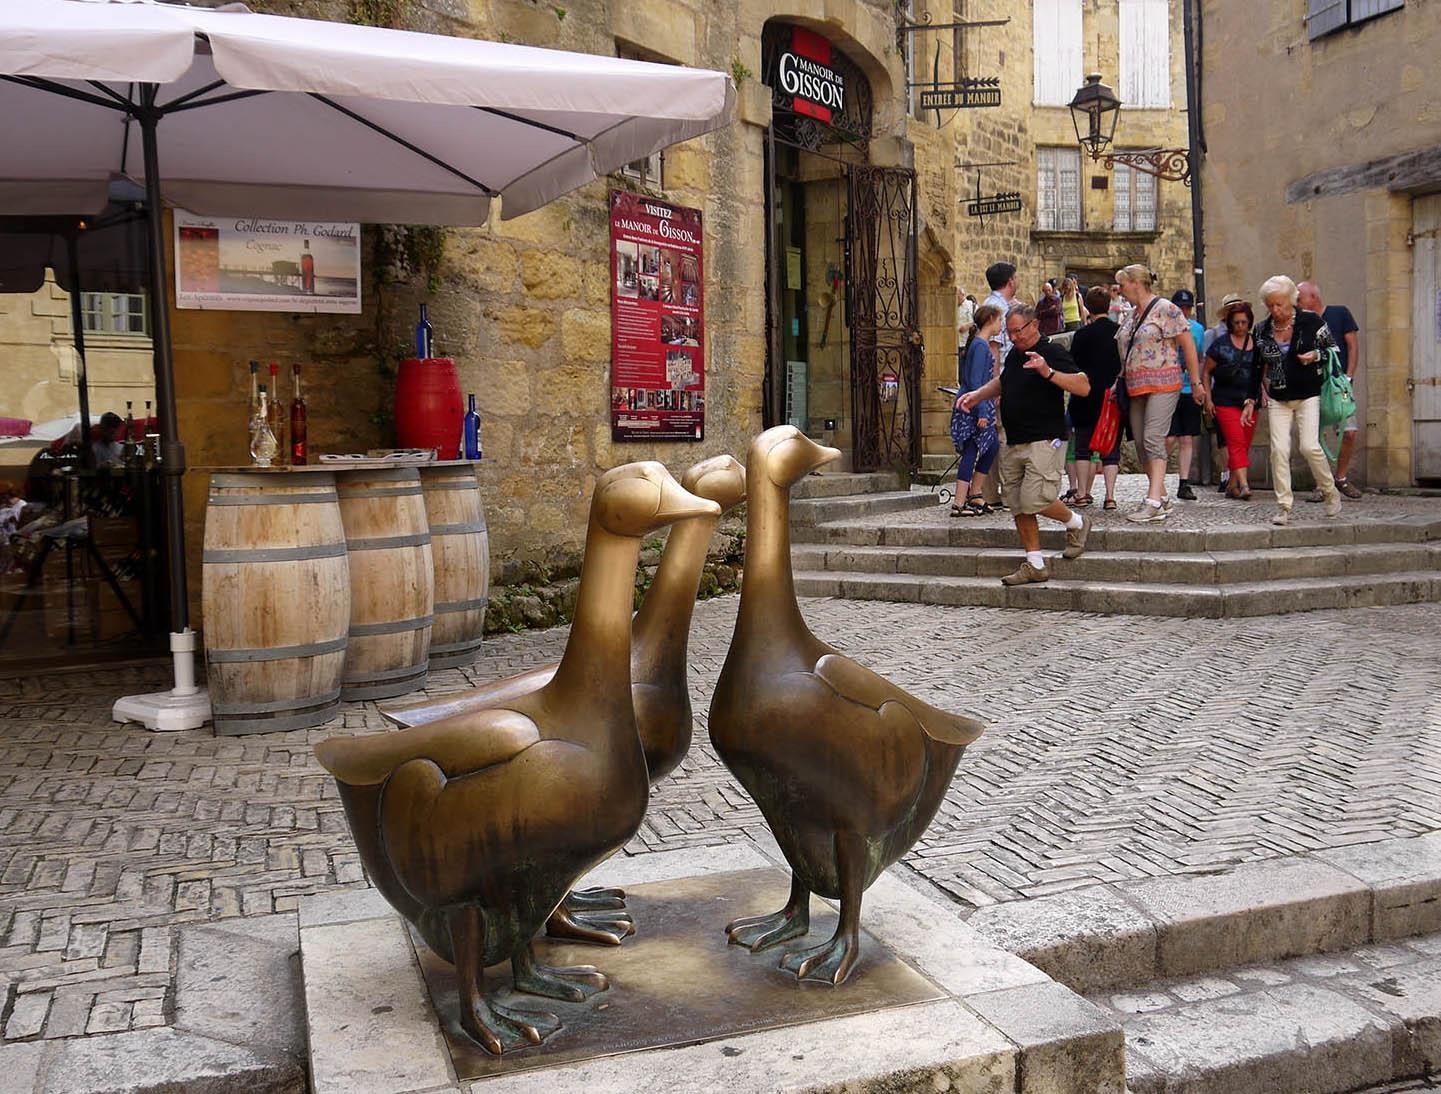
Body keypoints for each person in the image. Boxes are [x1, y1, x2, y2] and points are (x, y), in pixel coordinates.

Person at [959, 304, 1092, 586]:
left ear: (1034, 326)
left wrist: (1048, 372)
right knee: (1018, 505)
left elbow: (1083, 386)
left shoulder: (1052, 351)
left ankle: (1077, 523)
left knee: (1035, 499)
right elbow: (1003, 383)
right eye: (1010, 332)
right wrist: (977, 396)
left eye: (1018, 331)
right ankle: (1035, 563)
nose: (1015, 337)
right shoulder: (1016, 354)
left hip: (1045, 439)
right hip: (1014, 440)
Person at [1114, 265, 1204, 522]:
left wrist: (1196, 383)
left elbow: (1187, 346)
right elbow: (1127, 351)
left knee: (1154, 438)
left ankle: (1152, 501)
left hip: (1164, 383)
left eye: (1123, 284)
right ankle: (1162, 497)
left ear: (1136, 283)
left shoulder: (1166, 308)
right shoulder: (1131, 316)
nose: (1120, 290)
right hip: (1135, 386)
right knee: (1142, 444)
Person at [1255, 274, 1341, 525]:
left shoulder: (1311, 321)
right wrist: (1252, 398)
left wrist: (1315, 355)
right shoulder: (1261, 329)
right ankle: (1284, 507)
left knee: (1309, 446)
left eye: (1279, 304)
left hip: (1307, 393)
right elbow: (1256, 366)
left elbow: (1333, 351)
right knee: (1279, 450)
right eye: (1270, 304)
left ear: (1291, 300)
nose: (1275, 309)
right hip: (1278, 395)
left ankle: (1329, 491)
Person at [1297, 280, 1363, 499]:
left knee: (1350, 432)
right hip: (1313, 386)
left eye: (1299, 298)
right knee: (1314, 437)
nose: (1296, 303)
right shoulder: (1302, 323)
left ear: (1313, 297)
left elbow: (1352, 346)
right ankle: (1322, 484)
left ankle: (1341, 478)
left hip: (1339, 384)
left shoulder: (1340, 314)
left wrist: (1349, 376)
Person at [1068, 287, 1124, 510]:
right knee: (1111, 449)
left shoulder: (1081, 335)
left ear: (1087, 308)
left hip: (1085, 394)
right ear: (1109, 306)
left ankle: (1082, 493)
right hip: (1111, 396)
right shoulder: (1119, 332)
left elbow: (1073, 366)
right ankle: (1110, 496)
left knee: (1083, 447)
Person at [1203, 299, 1262, 500]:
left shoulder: (1257, 344)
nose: (1240, 326)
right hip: (1225, 400)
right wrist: (1208, 399)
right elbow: (1206, 371)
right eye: (1236, 322)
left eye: (1244, 322)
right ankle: (1244, 485)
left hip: (1250, 400)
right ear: (1230, 323)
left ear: (1249, 322)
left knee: (1244, 443)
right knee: (1235, 441)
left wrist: (1265, 392)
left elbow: (1261, 373)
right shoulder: (1220, 344)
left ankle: (1232, 484)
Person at [949, 303, 1004, 515]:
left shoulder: (980, 344)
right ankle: (959, 503)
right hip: (974, 406)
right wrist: (981, 411)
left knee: (991, 448)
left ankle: (975, 493)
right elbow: (974, 381)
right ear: (991, 319)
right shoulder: (980, 346)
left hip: (980, 404)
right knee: (972, 450)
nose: (1001, 325)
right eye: (999, 320)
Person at [1165, 289, 1208, 500]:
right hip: (1169, 387)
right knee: (1169, 437)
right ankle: (1157, 477)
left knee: (1186, 438)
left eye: (1187, 307)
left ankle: (1184, 482)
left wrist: (1198, 383)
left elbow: (1200, 357)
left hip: (1189, 388)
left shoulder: (1198, 329)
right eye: (1180, 307)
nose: (1184, 311)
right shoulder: (1165, 325)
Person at [983, 261, 1019, 366]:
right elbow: (993, 347)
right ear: (1010, 281)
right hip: (1002, 373)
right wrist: (997, 380)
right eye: (1015, 277)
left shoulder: (999, 304)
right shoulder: (996, 307)